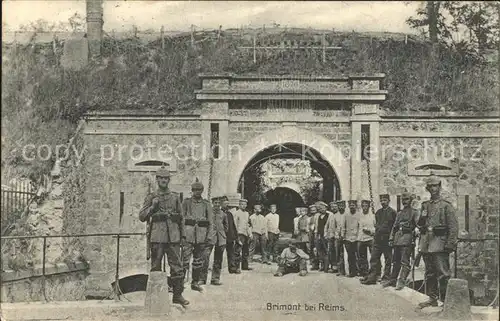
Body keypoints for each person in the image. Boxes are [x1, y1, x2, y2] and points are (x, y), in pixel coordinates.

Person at [138, 166, 189, 306]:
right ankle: (155, 298)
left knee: (177, 267)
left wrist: (183, 236)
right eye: (160, 178)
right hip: (157, 236)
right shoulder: (151, 197)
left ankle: (177, 295)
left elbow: (182, 218)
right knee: (156, 267)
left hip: (173, 237)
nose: (163, 180)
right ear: (157, 179)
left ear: (169, 180)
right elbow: (142, 216)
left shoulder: (175, 197)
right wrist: (153, 208)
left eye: (166, 178)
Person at [416, 174, 458, 309]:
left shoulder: (446, 206)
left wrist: (450, 244)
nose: (433, 188)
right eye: (431, 186)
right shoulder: (425, 205)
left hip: (440, 245)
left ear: (439, 187)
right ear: (427, 188)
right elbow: (420, 225)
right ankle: (432, 299)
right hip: (427, 245)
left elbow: (453, 226)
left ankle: (446, 302)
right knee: (429, 273)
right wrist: (421, 218)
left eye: (435, 186)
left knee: (443, 274)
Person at [181, 178, 213, 293]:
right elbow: (181, 219)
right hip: (188, 236)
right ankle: (180, 283)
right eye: (195, 190)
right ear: (192, 190)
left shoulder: (206, 204)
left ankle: (195, 282)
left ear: (202, 191)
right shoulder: (186, 202)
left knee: (198, 260)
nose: (197, 192)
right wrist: (182, 235)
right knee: (184, 260)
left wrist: (209, 236)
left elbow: (211, 222)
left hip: (201, 237)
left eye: (199, 190)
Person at [361, 194, 397, 285]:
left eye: (385, 200)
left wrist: (392, 239)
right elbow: (376, 225)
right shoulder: (378, 212)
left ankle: (386, 277)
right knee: (374, 258)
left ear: (389, 201)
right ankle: (372, 277)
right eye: (381, 200)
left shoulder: (393, 212)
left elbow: (394, 227)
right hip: (377, 239)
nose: (383, 202)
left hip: (387, 239)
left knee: (388, 259)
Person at [386, 192, 419, 290]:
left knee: (404, 262)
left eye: (407, 199)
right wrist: (391, 238)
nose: (405, 202)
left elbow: (418, 225)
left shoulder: (414, 212)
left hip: (407, 239)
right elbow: (394, 226)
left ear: (411, 200)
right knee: (395, 261)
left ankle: (401, 281)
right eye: (403, 200)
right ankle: (392, 280)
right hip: (397, 240)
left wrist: (416, 231)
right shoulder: (399, 213)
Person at [200, 196, 227, 286]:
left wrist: (223, 234)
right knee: (205, 258)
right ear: (212, 203)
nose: (217, 205)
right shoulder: (208, 212)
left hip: (221, 239)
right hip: (210, 238)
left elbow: (226, 227)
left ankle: (215, 279)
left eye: (219, 203)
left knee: (218, 260)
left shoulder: (223, 214)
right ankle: (202, 279)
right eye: (215, 203)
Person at [357, 200, 376, 279]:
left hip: (370, 238)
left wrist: (370, 231)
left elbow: (376, 227)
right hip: (361, 239)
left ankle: (374, 273)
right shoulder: (360, 216)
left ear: (369, 206)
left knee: (373, 257)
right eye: (363, 206)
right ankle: (365, 272)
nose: (364, 207)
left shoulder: (373, 216)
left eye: (366, 206)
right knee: (362, 257)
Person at [233, 199, 253, 271]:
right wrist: (236, 236)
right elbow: (235, 225)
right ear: (239, 205)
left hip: (246, 234)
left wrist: (250, 234)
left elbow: (248, 224)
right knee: (237, 251)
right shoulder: (236, 213)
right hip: (239, 234)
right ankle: (236, 267)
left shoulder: (247, 214)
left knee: (246, 251)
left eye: (245, 204)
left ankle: (245, 266)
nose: (243, 206)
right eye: (242, 204)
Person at [222, 195, 240, 274]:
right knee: (219, 254)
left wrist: (236, 236)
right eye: (225, 204)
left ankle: (232, 268)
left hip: (230, 237)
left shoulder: (229, 214)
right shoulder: (219, 213)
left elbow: (233, 225)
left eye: (227, 203)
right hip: (222, 237)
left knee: (231, 253)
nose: (227, 205)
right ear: (221, 204)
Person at [344, 200, 360, 277]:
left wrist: (359, 236)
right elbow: (344, 226)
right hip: (348, 238)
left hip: (357, 238)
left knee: (358, 255)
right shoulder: (346, 215)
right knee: (350, 256)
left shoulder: (359, 215)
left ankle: (359, 271)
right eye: (350, 205)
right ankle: (352, 272)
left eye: (353, 205)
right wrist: (344, 236)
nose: (351, 207)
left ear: (356, 206)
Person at [324, 202, 341, 273]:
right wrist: (325, 233)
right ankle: (333, 266)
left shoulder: (340, 215)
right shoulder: (330, 215)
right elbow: (326, 225)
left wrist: (337, 234)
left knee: (338, 252)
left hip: (337, 237)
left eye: (335, 206)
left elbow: (340, 226)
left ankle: (339, 268)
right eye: (332, 207)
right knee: (331, 251)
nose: (333, 208)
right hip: (330, 236)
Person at [314, 201, 331, 272]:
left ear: (326, 208)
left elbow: (330, 226)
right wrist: (316, 234)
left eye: (322, 208)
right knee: (320, 251)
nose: (321, 209)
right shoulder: (318, 216)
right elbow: (316, 226)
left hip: (326, 235)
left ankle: (326, 267)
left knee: (326, 250)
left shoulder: (330, 215)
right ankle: (322, 265)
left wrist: (328, 235)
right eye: (319, 208)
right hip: (319, 235)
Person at [335, 200, 347, 276]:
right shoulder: (335, 215)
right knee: (338, 253)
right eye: (339, 206)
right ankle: (340, 270)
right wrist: (337, 235)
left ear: (345, 206)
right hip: (338, 237)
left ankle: (348, 270)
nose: (341, 207)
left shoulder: (347, 214)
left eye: (342, 206)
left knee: (346, 254)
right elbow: (334, 227)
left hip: (346, 237)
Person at [308, 204, 319, 270]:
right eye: (311, 210)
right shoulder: (310, 217)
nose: (313, 211)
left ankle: (317, 264)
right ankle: (313, 264)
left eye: (314, 210)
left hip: (316, 234)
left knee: (316, 249)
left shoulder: (318, 216)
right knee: (311, 249)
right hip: (311, 234)